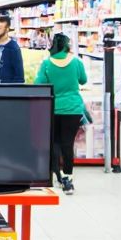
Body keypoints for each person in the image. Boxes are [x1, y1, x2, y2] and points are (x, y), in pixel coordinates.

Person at [34, 33, 87, 194]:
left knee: (55, 142)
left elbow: (39, 84)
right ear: (67, 45)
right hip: (73, 108)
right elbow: (83, 80)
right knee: (67, 143)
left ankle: (57, 175)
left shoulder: (46, 63)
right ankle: (68, 178)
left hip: (53, 108)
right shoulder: (76, 62)